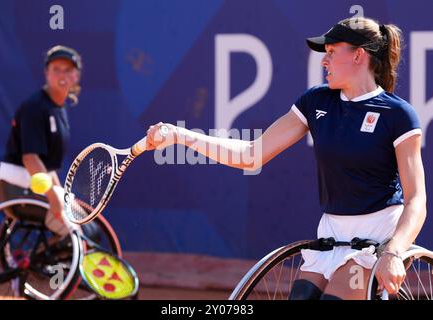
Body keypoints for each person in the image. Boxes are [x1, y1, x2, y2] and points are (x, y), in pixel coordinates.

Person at [145, 17, 427, 300]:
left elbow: (416, 200)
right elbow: (251, 155)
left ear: (358, 54)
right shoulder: (316, 102)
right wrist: (181, 135)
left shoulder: (397, 115)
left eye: (331, 52)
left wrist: (393, 251)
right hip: (331, 233)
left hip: (377, 237)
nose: (323, 61)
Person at [0, 45, 82, 236]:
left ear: (76, 76)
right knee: (74, 235)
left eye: (68, 70)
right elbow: (31, 159)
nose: (62, 75)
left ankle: (49, 262)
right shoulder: (35, 107)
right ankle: (48, 264)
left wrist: (61, 196)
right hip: (17, 187)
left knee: (86, 226)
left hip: (36, 183)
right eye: (56, 69)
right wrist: (54, 198)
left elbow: (47, 167)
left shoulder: (58, 109)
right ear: (46, 74)